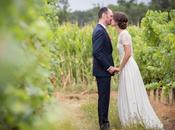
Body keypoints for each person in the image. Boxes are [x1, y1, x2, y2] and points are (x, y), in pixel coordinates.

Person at [111, 11, 164, 130]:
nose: (111, 19)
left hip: (128, 66)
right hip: (126, 66)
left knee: (131, 91)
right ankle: (131, 121)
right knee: (128, 91)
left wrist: (119, 68)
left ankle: (135, 119)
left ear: (117, 21)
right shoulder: (121, 34)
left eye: (112, 18)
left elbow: (128, 53)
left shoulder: (124, 34)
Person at [92, 7, 117, 130]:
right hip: (102, 71)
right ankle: (104, 125)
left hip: (102, 71)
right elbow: (97, 52)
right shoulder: (100, 31)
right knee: (103, 98)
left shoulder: (101, 30)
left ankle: (104, 123)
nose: (112, 18)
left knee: (104, 97)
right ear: (104, 15)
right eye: (111, 16)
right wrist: (108, 67)